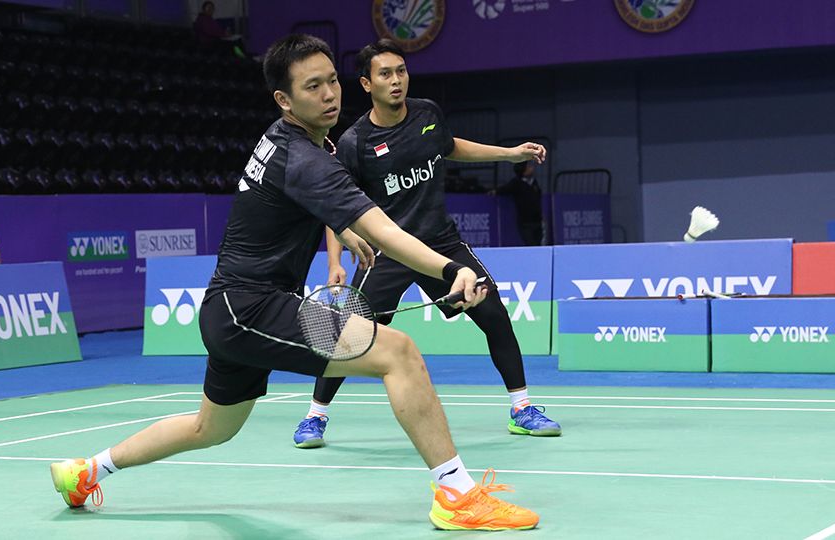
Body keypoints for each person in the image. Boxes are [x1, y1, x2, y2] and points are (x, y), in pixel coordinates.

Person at [49, 34, 539, 531]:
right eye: (312, 87)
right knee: (400, 353)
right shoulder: (306, 159)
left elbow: (296, 205)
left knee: (209, 429)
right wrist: (451, 269)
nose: (330, 95)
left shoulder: (295, 141)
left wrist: (344, 227)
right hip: (251, 307)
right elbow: (387, 232)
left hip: (233, 308)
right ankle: (457, 495)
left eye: (331, 82)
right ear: (284, 99)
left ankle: (85, 471)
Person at [292, 39, 560, 450]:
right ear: (366, 83)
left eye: (400, 71)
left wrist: (508, 154)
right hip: (388, 251)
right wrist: (335, 263)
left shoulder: (427, 113)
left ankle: (521, 408)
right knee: (351, 335)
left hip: (440, 244)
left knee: (493, 313)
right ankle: (315, 416)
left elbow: (450, 148)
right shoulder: (354, 142)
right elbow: (334, 206)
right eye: (385, 74)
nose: (396, 80)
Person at [495, 160, 544, 246]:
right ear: (522, 169)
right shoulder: (516, 183)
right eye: (528, 167)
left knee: (538, 243)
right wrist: (494, 191)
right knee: (530, 244)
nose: (532, 168)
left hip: (537, 220)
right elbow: (504, 190)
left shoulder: (534, 183)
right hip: (525, 222)